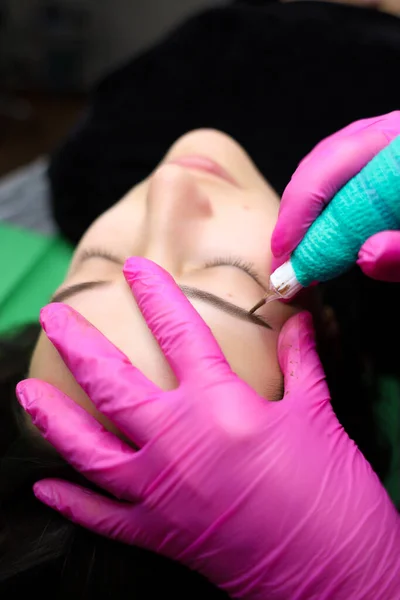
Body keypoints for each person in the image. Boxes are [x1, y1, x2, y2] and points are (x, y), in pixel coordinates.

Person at [1, 112, 400, 598]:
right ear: (329, 327)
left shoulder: (91, 164)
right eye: (226, 273)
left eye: (94, 265)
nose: (166, 187)